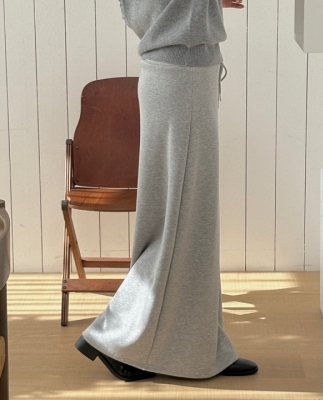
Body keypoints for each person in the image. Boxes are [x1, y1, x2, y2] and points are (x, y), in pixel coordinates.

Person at [75, 0, 258, 381]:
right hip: (183, 76)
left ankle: (202, 347)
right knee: (183, 223)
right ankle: (116, 337)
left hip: (177, 73)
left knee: (183, 223)